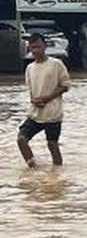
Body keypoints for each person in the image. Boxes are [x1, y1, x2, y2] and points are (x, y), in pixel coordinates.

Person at [16, 33, 71, 168]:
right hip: (36, 113)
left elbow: (65, 85)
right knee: (21, 139)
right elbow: (31, 90)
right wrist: (34, 101)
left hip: (53, 113)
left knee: (52, 144)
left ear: (45, 46)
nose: (36, 51)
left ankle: (57, 173)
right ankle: (33, 167)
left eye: (38, 47)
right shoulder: (30, 68)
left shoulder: (56, 64)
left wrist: (47, 98)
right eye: (33, 47)